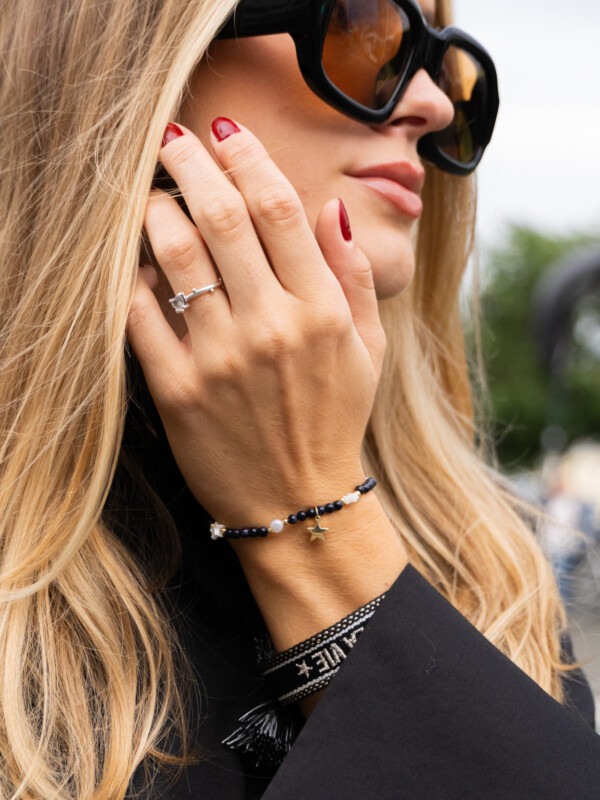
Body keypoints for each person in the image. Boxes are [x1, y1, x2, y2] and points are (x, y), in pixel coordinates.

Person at [1, 0, 598, 798]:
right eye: (368, 29)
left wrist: (309, 507)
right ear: (144, 54)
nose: (431, 105)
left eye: (457, 75)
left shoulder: (488, 565)